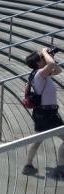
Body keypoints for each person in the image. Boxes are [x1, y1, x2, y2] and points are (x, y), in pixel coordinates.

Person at [23, 48, 64, 176]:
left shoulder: (40, 74)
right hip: (48, 114)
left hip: (41, 113)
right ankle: (61, 167)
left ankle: (28, 166)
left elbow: (58, 70)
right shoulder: (40, 74)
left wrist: (46, 56)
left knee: (38, 139)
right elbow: (51, 65)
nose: (44, 59)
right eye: (41, 59)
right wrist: (44, 52)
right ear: (37, 63)